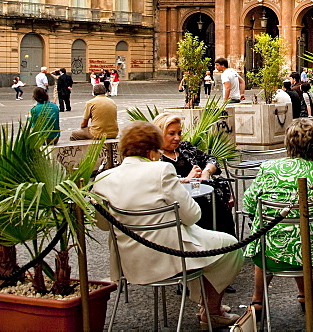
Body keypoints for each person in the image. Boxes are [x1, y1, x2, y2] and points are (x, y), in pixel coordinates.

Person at [93, 122, 242, 328]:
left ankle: (207, 305)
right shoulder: (162, 170)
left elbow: (102, 224)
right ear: (153, 149)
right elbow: (192, 215)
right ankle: (211, 310)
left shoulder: (103, 178)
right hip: (170, 257)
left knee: (206, 246)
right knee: (230, 247)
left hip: (129, 261)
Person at [243, 119, 313, 315]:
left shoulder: (269, 169)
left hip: (270, 255)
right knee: (300, 234)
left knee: (266, 235)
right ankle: (304, 294)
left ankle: (257, 300)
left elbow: (249, 203)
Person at [152, 113, 235, 236]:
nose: (177, 138)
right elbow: (156, 183)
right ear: (159, 134)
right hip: (179, 208)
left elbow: (211, 160)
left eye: (179, 133)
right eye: (171, 134)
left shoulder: (185, 148)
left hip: (205, 199)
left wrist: (206, 172)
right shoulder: (153, 157)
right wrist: (186, 179)